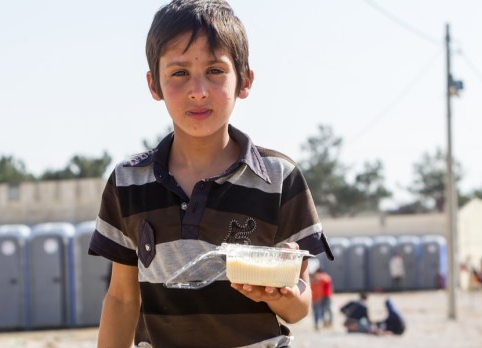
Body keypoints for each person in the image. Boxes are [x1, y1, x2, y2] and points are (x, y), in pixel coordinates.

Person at [87, 1, 333, 347]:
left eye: (215, 71)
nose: (198, 90)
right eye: (179, 72)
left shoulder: (279, 178)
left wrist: (278, 294)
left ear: (244, 80)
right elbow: (123, 298)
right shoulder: (128, 182)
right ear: (154, 85)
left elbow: (299, 307)